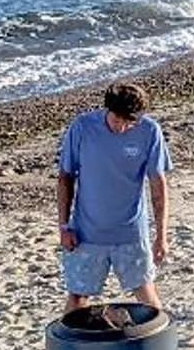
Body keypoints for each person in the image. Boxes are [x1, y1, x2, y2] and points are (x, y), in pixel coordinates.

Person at [57, 81, 170, 317]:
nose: (122, 127)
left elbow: (158, 186)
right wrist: (64, 226)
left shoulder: (150, 131)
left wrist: (161, 235)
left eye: (130, 123)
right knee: (78, 298)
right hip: (87, 234)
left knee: (147, 297)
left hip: (130, 233)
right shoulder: (82, 128)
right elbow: (65, 178)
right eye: (118, 120)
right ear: (108, 110)